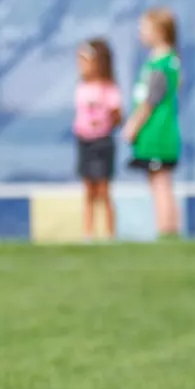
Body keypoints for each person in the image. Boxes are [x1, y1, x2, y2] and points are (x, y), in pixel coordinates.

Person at [124, 8, 182, 238]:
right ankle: (168, 229)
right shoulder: (167, 62)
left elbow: (150, 101)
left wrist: (133, 125)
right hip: (158, 134)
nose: (140, 33)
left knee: (160, 184)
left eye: (144, 29)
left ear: (159, 32)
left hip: (157, 135)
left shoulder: (161, 66)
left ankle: (166, 230)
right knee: (159, 182)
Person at [73, 38, 122, 241]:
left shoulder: (108, 88)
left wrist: (103, 122)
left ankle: (110, 234)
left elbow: (117, 114)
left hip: (102, 142)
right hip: (84, 141)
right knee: (89, 191)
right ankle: (88, 233)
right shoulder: (81, 88)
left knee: (103, 190)